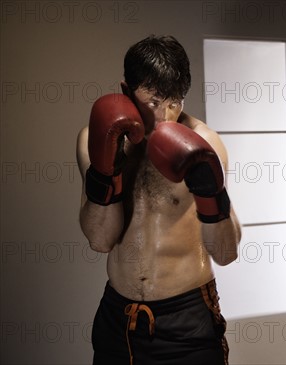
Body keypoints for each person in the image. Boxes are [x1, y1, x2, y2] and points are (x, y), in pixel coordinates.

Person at [76, 35, 241, 365]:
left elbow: (226, 253)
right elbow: (100, 239)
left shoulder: (204, 143)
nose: (166, 116)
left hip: (187, 320)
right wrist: (106, 173)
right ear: (127, 91)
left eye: (175, 102)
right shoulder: (96, 139)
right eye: (153, 102)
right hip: (118, 318)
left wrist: (212, 195)